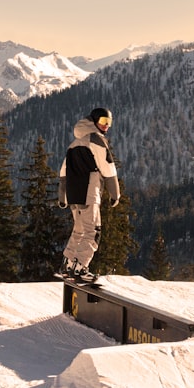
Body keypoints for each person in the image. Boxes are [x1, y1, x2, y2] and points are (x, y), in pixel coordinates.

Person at [58, 107, 120, 282]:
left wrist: (62, 196)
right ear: (93, 121)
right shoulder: (96, 140)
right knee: (93, 231)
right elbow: (108, 167)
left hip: (73, 194)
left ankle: (67, 265)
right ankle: (80, 268)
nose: (106, 126)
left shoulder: (73, 144)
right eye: (102, 121)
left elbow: (63, 171)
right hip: (88, 191)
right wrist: (115, 193)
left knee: (79, 229)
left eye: (109, 122)